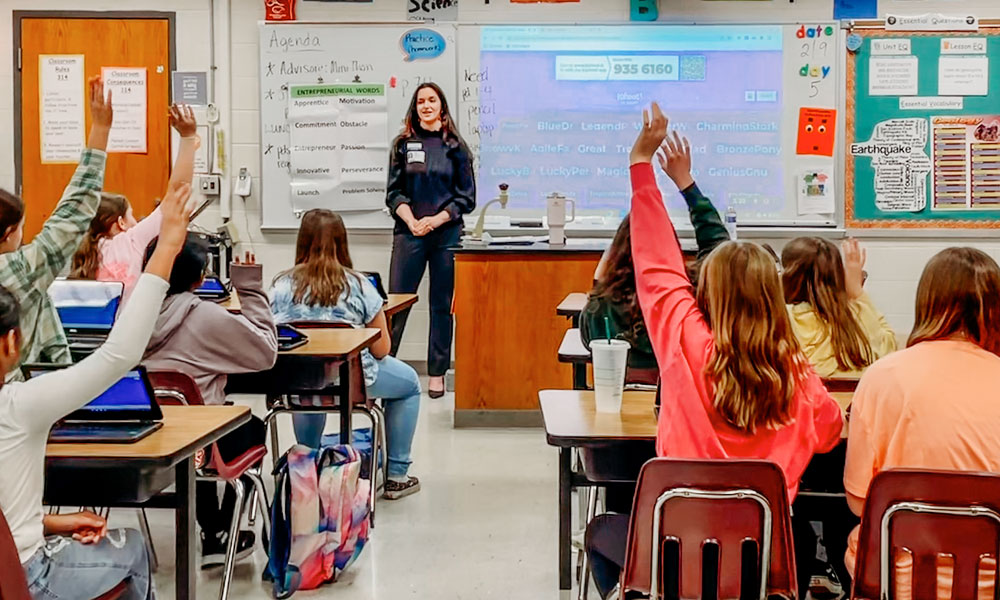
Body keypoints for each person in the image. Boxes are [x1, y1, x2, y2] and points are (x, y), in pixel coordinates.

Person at [584, 104, 843, 599]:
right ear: (775, 298)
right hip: (763, 569)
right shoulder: (796, 374)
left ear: (707, 291)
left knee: (604, 535)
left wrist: (642, 164)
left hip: (674, 564)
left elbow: (656, 264)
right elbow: (831, 432)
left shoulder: (684, 337)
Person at [0, 177, 193, 600]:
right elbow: (118, 356)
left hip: (12, 560)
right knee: (135, 548)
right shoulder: (17, 406)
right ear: (11, 343)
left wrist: (51, 521)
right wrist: (168, 248)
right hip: (29, 575)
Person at [843, 247, 1000, 599]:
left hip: (897, 577)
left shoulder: (881, 377)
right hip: (991, 582)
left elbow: (859, 502)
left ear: (926, 302)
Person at [141, 237, 278, 567]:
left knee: (197, 423)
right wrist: (250, 290)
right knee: (244, 425)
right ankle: (221, 531)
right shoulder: (205, 316)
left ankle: (212, 528)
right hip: (200, 449)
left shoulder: (132, 315)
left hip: (144, 441)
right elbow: (266, 352)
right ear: (200, 278)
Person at [270, 209, 422, 500]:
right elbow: (381, 349)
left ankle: (309, 469)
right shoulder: (360, 285)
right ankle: (397, 475)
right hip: (354, 381)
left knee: (309, 383)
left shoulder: (280, 286)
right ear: (343, 242)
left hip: (297, 383)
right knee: (411, 384)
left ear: (301, 242)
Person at [581, 131, 730, 373]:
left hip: (618, 406)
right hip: (678, 403)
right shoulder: (690, 296)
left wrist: (599, 281)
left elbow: (589, 343)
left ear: (616, 252)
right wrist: (686, 183)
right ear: (668, 246)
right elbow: (720, 251)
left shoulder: (599, 309)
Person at [0, 76, 112, 374]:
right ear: (9, 234)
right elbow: (73, 213)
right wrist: (100, 130)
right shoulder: (20, 269)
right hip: (19, 400)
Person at [385, 82, 475, 398]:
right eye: (420, 101)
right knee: (397, 303)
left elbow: (467, 197)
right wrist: (412, 221)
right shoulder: (402, 145)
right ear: (415, 108)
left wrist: (435, 220)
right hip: (409, 234)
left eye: (432, 100)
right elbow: (394, 193)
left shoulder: (456, 147)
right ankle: (385, 369)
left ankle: (437, 374)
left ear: (442, 106)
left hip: (446, 235)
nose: (426, 105)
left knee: (441, 305)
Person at [70, 105, 199, 302]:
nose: (136, 221)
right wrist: (188, 138)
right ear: (121, 223)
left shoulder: (81, 253)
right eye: (131, 214)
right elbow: (178, 193)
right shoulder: (131, 242)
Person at [782, 236, 897, 378]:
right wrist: (857, 292)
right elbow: (889, 350)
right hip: (853, 400)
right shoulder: (854, 315)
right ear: (838, 275)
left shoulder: (780, 319)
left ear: (787, 276)